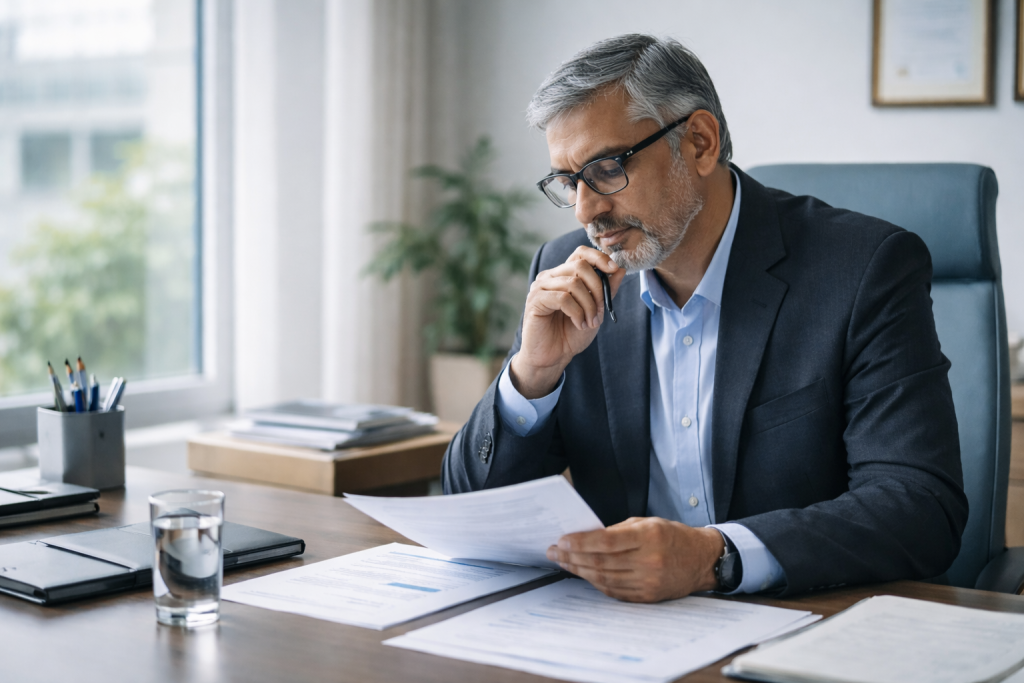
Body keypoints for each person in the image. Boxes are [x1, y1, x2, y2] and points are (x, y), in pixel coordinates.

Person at [441, 34, 968, 602]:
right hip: (619, 633)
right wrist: (532, 375)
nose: (586, 210)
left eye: (607, 169)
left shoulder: (863, 268)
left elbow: (920, 506)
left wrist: (715, 557)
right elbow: (470, 514)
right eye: (569, 182)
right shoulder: (567, 275)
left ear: (699, 142)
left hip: (806, 621)